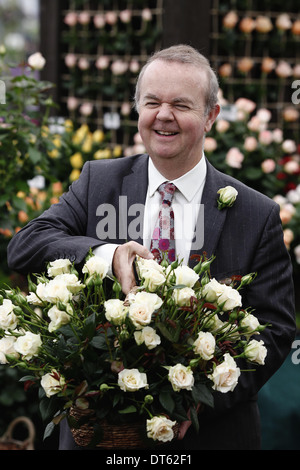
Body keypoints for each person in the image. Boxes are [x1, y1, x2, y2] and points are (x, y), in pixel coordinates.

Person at [7, 44, 295, 450]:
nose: (163, 115)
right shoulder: (98, 183)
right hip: (98, 433)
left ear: (211, 115)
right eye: (152, 102)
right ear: (137, 108)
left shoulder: (255, 213)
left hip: (208, 436)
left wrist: (195, 402)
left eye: (181, 104)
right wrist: (106, 256)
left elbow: (276, 330)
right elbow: (25, 246)